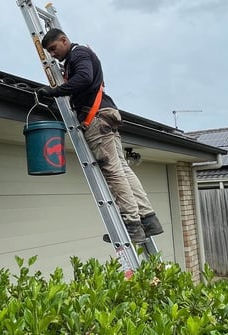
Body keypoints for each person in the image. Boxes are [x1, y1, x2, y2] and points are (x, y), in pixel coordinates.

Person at [36, 28, 163, 243]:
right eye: (48, 52)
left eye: (54, 49)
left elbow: (85, 78)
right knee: (122, 168)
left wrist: (54, 91)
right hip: (106, 115)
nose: (52, 54)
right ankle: (148, 219)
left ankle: (132, 224)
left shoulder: (78, 54)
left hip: (96, 118)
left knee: (113, 171)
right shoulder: (76, 57)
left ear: (64, 40)